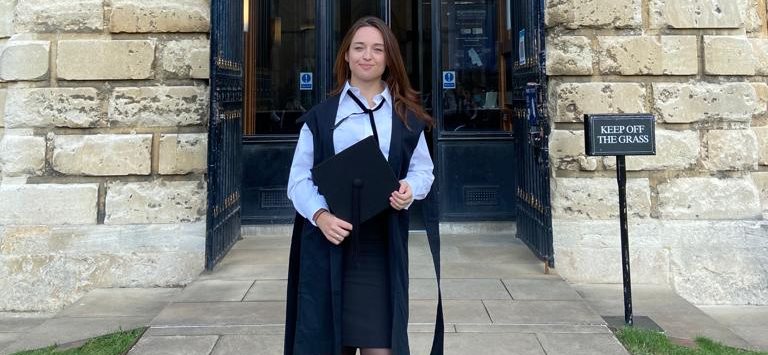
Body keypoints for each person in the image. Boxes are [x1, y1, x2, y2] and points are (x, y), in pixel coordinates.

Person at [284, 16, 443, 355]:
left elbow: (423, 171)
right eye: (358, 48)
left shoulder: (405, 117)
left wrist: (409, 190)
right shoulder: (322, 116)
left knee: (381, 348)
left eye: (376, 49)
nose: (366, 56)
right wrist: (321, 216)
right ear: (346, 55)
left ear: (388, 59)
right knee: (325, 345)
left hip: (379, 246)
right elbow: (298, 179)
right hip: (328, 242)